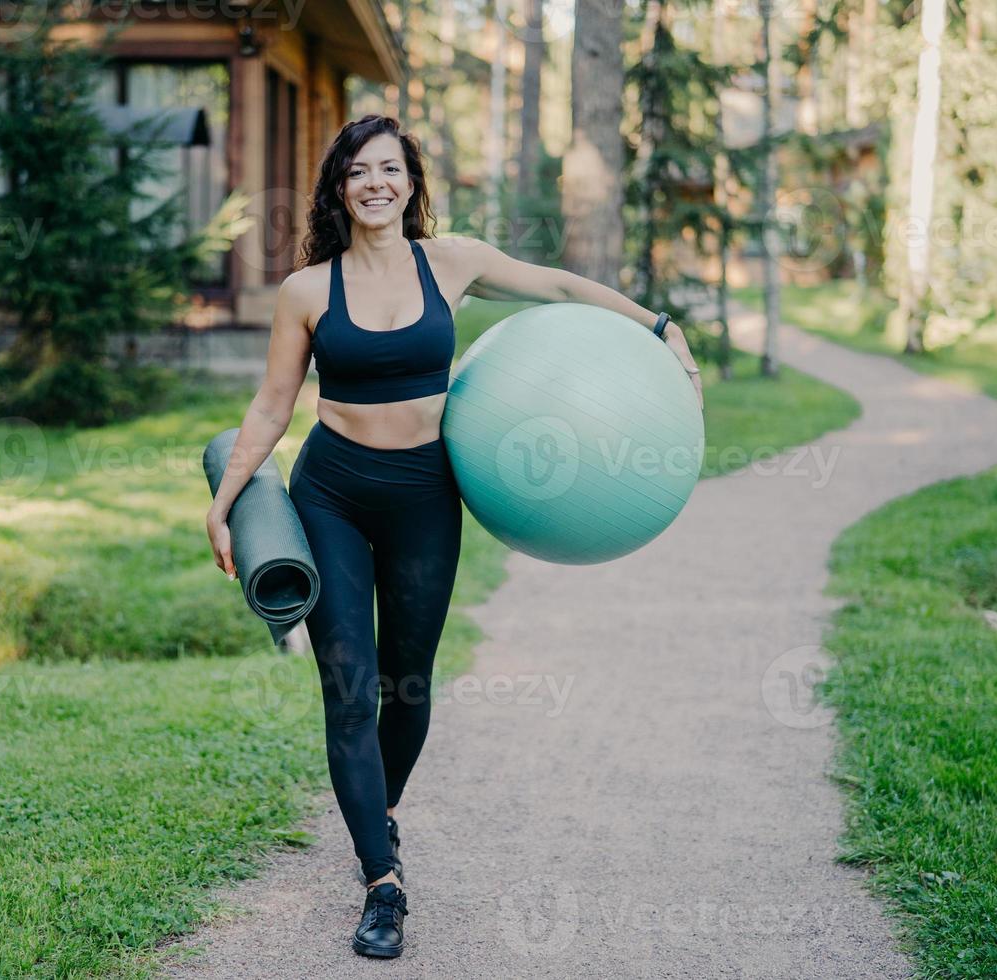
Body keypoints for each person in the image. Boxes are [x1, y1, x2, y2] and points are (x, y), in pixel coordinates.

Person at [205, 114, 702, 959]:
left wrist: (657, 326)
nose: (376, 184)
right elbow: (272, 406)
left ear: (411, 182)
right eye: (359, 172)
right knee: (348, 687)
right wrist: (225, 501)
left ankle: (378, 810)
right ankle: (382, 882)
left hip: (424, 495)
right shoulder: (309, 291)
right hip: (331, 491)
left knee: (408, 683)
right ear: (338, 187)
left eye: (390, 170)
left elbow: (562, 289)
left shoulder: (454, 263)